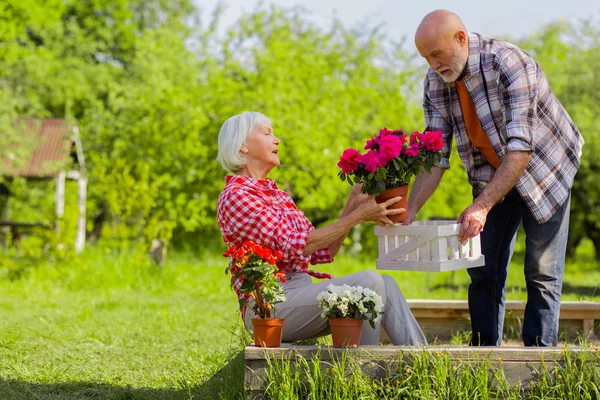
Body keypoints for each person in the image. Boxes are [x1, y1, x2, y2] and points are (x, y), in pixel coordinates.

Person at [405, 10, 584, 346]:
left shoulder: (508, 63)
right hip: (492, 174)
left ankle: (539, 359)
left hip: (545, 169)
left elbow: (520, 150)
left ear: (460, 38)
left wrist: (481, 206)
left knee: (541, 270)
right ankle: (483, 356)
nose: (432, 64)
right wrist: (410, 208)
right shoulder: (436, 83)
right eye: (426, 57)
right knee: (483, 266)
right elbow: (434, 158)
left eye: (436, 54)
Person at [216, 111, 427, 346]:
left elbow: (321, 251)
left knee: (385, 283)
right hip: (269, 306)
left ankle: (423, 360)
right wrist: (357, 217)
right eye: (267, 133)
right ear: (243, 146)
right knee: (368, 282)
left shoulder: (278, 196)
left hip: (298, 295)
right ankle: (366, 370)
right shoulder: (237, 196)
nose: (276, 140)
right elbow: (297, 245)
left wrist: (352, 204)